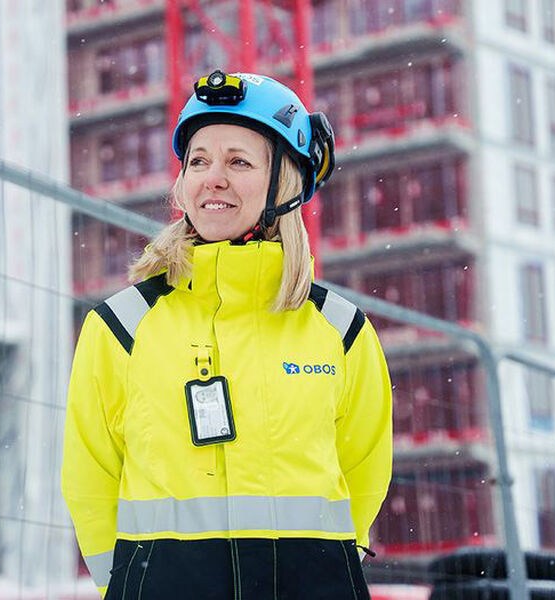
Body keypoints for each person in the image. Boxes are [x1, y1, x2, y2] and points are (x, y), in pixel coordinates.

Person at [62, 70, 392, 599]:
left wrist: (324, 570)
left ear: (284, 183)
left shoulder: (341, 331)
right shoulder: (120, 329)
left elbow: (364, 472)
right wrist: (124, 586)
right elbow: (91, 479)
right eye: (198, 161)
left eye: (238, 161)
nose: (212, 178)